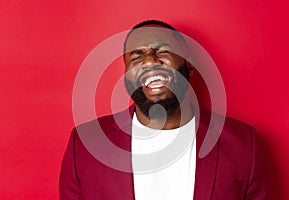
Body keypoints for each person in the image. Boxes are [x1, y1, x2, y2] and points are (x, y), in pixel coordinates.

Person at [59, 20, 270, 199]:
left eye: (163, 51)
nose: (150, 61)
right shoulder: (86, 144)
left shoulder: (244, 145)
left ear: (189, 64)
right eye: (136, 57)